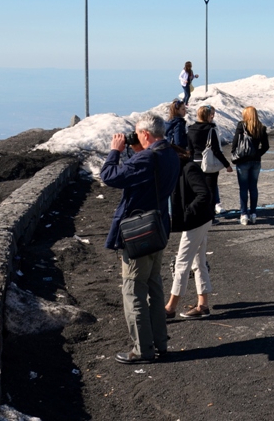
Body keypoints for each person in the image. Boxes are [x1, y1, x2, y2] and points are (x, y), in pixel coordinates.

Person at [101, 112, 181, 365]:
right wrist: (137, 150)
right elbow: (145, 177)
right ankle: (160, 343)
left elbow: (110, 176)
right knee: (154, 287)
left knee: (134, 290)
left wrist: (115, 151)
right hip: (158, 229)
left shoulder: (147, 158)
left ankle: (142, 349)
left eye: (137, 133)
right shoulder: (168, 153)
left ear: (145, 134)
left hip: (139, 233)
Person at [164, 159, 214, 320]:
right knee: (198, 261)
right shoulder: (176, 169)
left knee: (182, 262)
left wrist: (187, 213)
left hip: (197, 221)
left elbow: (204, 194)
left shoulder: (188, 168)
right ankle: (203, 305)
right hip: (198, 220)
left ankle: (170, 308)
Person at [186, 105, 233, 218]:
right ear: (208, 116)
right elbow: (216, 150)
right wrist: (227, 164)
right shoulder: (210, 130)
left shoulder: (191, 129)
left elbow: (189, 149)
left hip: (195, 163)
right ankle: (210, 217)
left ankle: (198, 214)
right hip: (208, 164)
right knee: (211, 191)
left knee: (198, 191)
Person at [231, 106, 270, 225]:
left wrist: (234, 153)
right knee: (253, 187)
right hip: (256, 161)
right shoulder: (261, 127)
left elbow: (235, 141)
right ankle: (253, 213)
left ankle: (244, 214)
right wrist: (258, 153)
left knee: (243, 188)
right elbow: (266, 146)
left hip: (243, 160)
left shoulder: (241, 125)